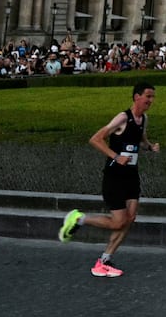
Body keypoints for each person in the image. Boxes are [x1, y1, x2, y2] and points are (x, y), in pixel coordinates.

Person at [58, 84, 159, 277]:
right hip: (114, 177)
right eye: (148, 96)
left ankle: (104, 261)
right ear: (137, 97)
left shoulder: (144, 119)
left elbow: (140, 139)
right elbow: (95, 139)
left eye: (153, 97)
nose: (151, 101)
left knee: (130, 219)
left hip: (131, 176)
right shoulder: (122, 118)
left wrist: (150, 147)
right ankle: (79, 219)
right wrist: (115, 156)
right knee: (118, 222)